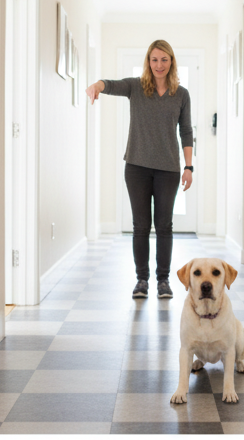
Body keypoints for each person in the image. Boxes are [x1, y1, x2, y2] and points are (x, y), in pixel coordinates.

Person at [87, 39, 193, 298]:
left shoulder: (181, 94)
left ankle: (163, 281)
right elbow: (111, 85)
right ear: (148, 61)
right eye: (154, 59)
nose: (159, 65)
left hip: (168, 169)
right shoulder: (136, 86)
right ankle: (142, 280)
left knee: (164, 225)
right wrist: (97, 86)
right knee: (141, 226)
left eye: (164, 60)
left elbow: (186, 131)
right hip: (136, 167)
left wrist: (189, 166)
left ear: (171, 62)